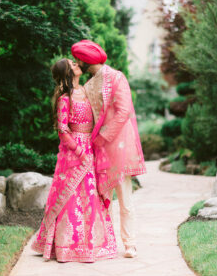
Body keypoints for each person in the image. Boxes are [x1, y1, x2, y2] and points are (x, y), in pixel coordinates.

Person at [31, 59, 117, 262]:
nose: (77, 63)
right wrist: (80, 152)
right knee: (71, 197)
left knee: (90, 196)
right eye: (72, 63)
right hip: (74, 152)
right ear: (68, 72)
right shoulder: (64, 98)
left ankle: (89, 245)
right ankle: (66, 247)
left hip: (91, 147)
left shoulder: (86, 91)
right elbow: (62, 130)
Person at [71, 40, 146, 258]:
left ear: (86, 61)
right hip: (96, 148)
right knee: (99, 199)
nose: (77, 63)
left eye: (78, 60)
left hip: (118, 145)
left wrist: (102, 137)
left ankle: (130, 243)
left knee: (125, 197)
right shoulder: (87, 86)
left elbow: (123, 112)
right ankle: (102, 242)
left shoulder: (116, 77)